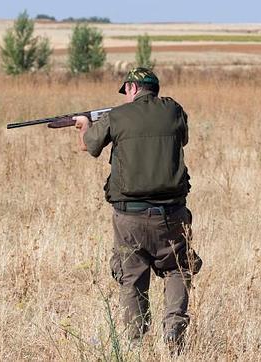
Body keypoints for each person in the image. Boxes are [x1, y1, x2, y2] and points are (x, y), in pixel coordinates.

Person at [73, 67, 202, 351]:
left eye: (126, 90)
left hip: (129, 216)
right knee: (178, 269)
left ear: (131, 88)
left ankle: (134, 342)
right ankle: (173, 333)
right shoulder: (173, 110)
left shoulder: (116, 116)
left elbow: (88, 146)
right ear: (154, 89)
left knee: (132, 276)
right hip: (172, 215)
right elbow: (183, 137)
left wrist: (84, 124)